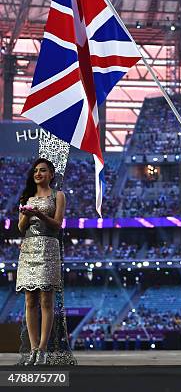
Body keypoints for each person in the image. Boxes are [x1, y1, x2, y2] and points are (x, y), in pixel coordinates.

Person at [16, 157, 76, 366]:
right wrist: (25, 214)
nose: (38, 174)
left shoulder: (58, 196)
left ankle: (43, 349)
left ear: (51, 174)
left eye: (43, 170)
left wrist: (39, 214)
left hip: (48, 249)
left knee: (46, 300)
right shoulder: (27, 197)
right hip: (29, 249)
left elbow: (57, 224)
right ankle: (33, 349)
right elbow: (21, 228)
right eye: (36, 171)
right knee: (29, 301)